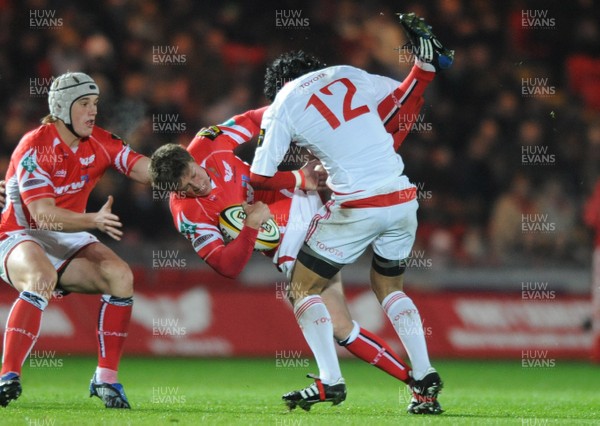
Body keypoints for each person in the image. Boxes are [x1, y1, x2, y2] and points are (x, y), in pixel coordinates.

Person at [148, 73, 428, 397]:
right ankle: (417, 382)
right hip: (278, 236)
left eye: (195, 175)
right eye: (187, 188)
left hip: (294, 206)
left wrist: (299, 135)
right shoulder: (187, 214)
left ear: (191, 157)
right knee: (339, 325)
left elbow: (260, 118)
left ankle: (331, 381)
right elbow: (227, 266)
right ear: (175, 192)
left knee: (300, 292)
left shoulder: (209, 141)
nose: (198, 185)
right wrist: (251, 226)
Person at [249, 13, 453, 415]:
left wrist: (303, 178)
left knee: (301, 289)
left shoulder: (282, 105)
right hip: (401, 196)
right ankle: (425, 378)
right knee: (389, 288)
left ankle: (330, 380)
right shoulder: (346, 72)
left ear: (276, 87)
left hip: (357, 205)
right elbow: (403, 105)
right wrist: (420, 75)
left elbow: (259, 178)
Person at [0, 72, 151, 409]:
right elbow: (42, 216)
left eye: (95, 104)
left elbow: (141, 167)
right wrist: (92, 220)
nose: (92, 111)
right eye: (84, 104)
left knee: (121, 276)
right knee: (41, 278)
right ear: (62, 107)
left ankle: (106, 379)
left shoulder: (99, 140)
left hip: (67, 235)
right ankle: (8, 375)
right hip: (17, 234)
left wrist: (181, 172)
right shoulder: (34, 146)